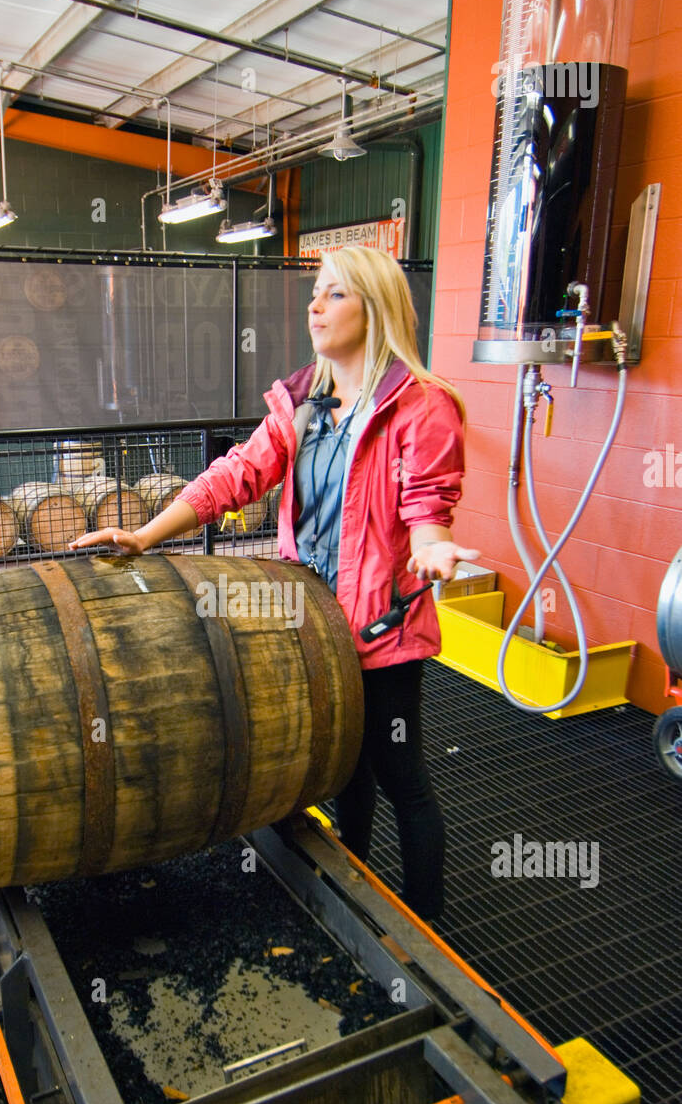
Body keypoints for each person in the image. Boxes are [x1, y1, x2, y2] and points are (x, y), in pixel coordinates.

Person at [70, 246, 478, 921]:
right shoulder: (305, 406)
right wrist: (144, 535)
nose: (315, 307)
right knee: (346, 774)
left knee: (401, 777)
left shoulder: (420, 407)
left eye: (336, 294)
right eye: (316, 293)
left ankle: (426, 926)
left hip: (381, 635)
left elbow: (426, 509)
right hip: (312, 627)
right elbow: (235, 476)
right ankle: (360, 897)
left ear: (375, 307)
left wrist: (433, 551)